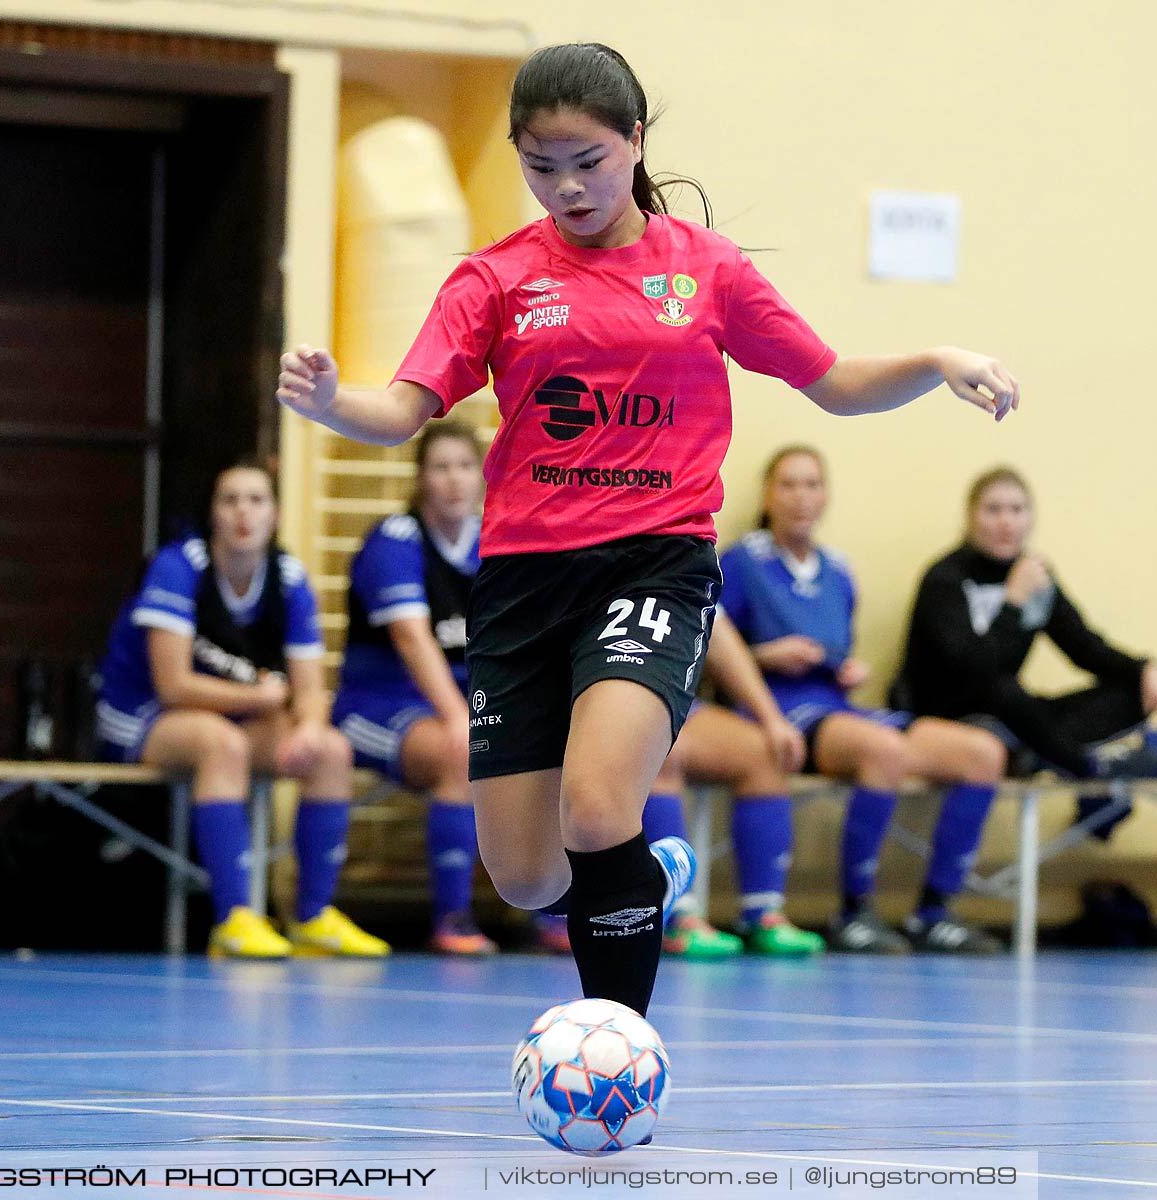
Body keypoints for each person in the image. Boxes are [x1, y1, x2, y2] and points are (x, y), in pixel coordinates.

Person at [276, 43, 1017, 1013]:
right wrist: (333, 401)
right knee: (529, 879)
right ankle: (643, 866)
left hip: (652, 567)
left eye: (586, 160)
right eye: (540, 167)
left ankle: (617, 1042)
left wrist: (933, 356)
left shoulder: (704, 270)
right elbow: (404, 409)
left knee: (595, 804)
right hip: (523, 584)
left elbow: (832, 384)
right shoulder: (494, 279)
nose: (565, 187)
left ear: (633, 141)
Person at [719, 447, 1009, 954]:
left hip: (837, 708)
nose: (801, 497)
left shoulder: (837, 568)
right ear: (767, 493)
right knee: (883, 750)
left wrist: (845, 669)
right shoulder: (742, 562)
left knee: (983, 754)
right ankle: (854, 911)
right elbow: (707, 649)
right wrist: (766, 656)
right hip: (778, 713)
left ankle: (934, 913)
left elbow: (838, 649)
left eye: (812, 484)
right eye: (788, 484)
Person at [96, 461, 387, 959]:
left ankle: (312, 917)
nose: (243, 513)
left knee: (331, 751)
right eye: (230, 500)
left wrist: (309, 729)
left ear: (274, 514)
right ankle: (232, 919)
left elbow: (310, 687)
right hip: (138, 712)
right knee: (221, 744)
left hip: (229, 714)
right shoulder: (179, 567)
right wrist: (260, 698)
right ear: (213, 513)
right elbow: (173, 685)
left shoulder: (288, 578)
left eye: (255, 500)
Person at [896, 466, 1157, 840]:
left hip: (1020, 724)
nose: (1006, 522)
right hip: (951, 722)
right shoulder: (945, 579)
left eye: (1017, 509)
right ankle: (1094, 773)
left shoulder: (1036, 575)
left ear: (1031, 517)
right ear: (970, 516)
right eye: (993, 509)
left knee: (1129, 694)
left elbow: (1085, 648)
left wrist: (1145, 670)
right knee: (1005, 691)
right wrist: (1012, 602)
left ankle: (1066, 759)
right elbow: (973, 670)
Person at [333, 422, 497, 955]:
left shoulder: (496, 539)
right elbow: (410, 637)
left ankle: (550, 913)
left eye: (465, 466)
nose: (454, 480)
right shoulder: (394, 541)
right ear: (421, 477)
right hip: (377, 703)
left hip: (465, 700)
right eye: (440, 467)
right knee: (464, 753)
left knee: (543, 753)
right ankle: (453, 918)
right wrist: (457, 717)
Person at [647, 619, 827, 957]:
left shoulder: (686, 568)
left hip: (670, 693)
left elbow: (717, 630)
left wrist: (772, 719)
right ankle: (672, 917)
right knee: (654, 745)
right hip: (592, 691)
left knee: (765, 753)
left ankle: (762, 915)